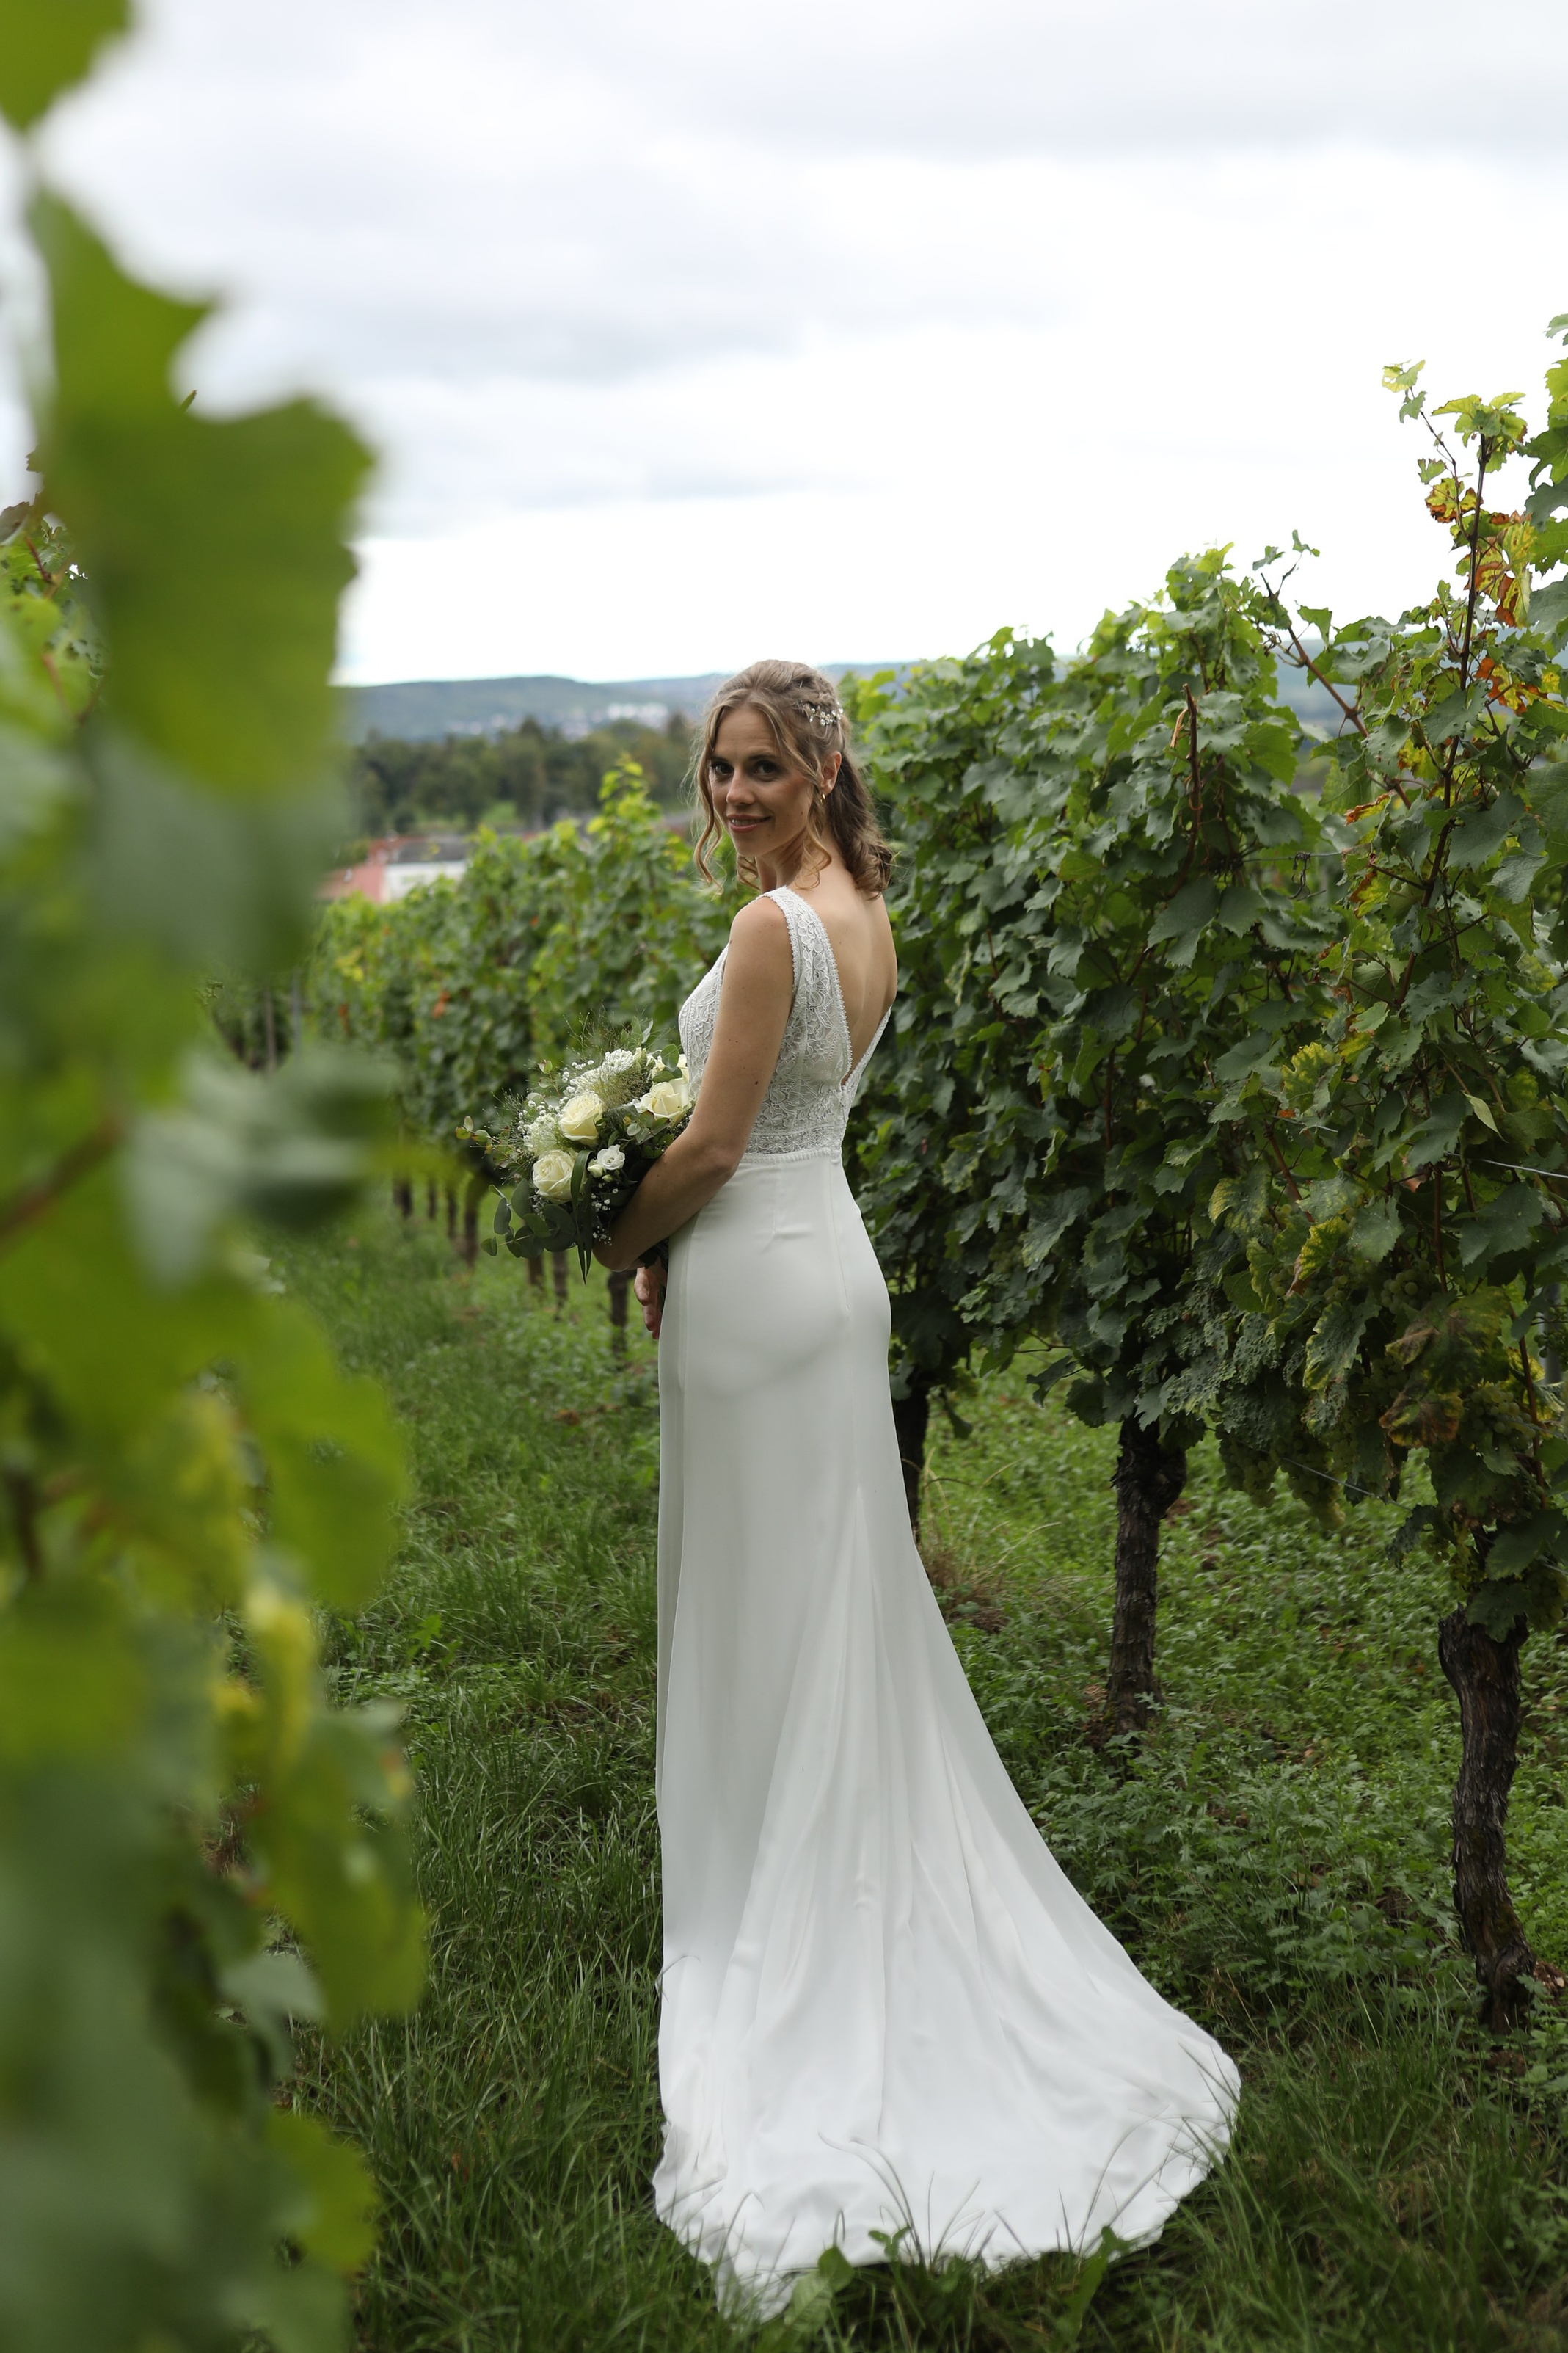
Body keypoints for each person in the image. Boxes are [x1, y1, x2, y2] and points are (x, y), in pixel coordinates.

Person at [596, 659, 1239, 2318]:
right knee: (828, 1611)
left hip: (760, 1281)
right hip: (827, 1270)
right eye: (718, 769)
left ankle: (768, 1915)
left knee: (764, 1612)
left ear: (817, 766)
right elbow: (783, 1129)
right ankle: (813, 1866)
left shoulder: (766, 932)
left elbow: (722, 1144)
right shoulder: (862, 905)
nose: (732, 793)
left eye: (758, 767)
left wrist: (610, 1228)